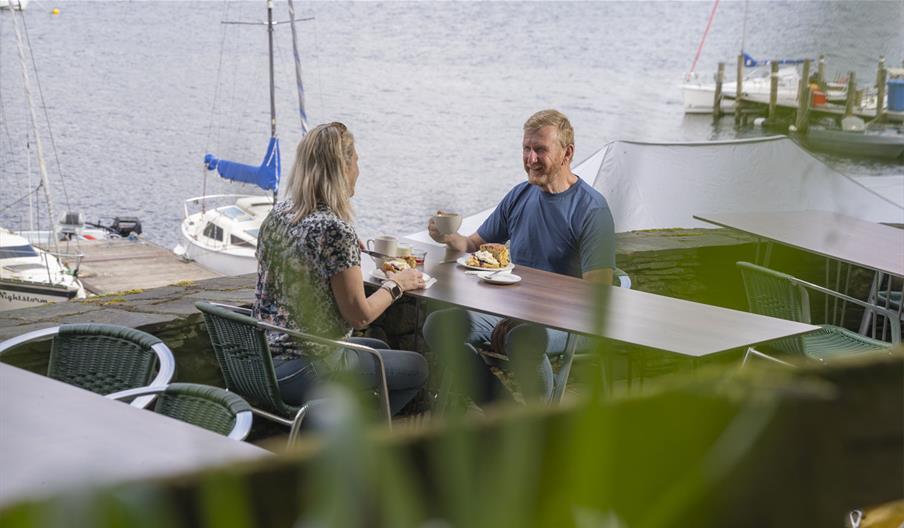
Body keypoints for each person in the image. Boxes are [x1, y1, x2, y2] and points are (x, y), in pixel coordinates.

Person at [423, 109, 615, 404]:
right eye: (526, 149)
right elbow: (475, 246)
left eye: (540, 150)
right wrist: (447, 238)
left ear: (567, 153)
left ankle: (539, 418)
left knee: (523, 339)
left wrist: (527, 315)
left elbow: (596, 294)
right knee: (437, 326)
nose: (531, 159)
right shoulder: (520, 196)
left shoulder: (592, 210)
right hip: (513, 313)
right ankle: (505, 412)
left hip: (570, 321)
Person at [253, 122, 429, 416]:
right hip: (302, 366)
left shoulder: (278, 214)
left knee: (381, 351)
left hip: (262, 359)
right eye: (356, 161)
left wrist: (345, 254)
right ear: (343, 167)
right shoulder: (334, 229)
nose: (359, 170)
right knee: (417, 367)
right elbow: (360, 316)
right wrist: (397, 284)